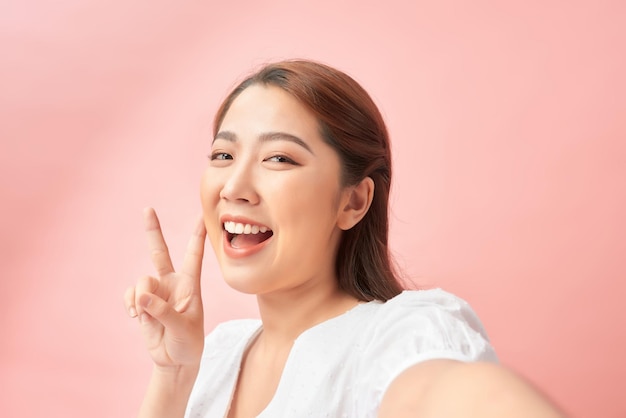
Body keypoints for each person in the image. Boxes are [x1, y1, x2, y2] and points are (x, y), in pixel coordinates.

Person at [124, 59, 565, 417]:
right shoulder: (217, 352)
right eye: (224, 154)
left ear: (353, 202)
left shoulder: (394, 338)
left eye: (279, 158)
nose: (234, 187)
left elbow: (465, 397)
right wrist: (175, 374)